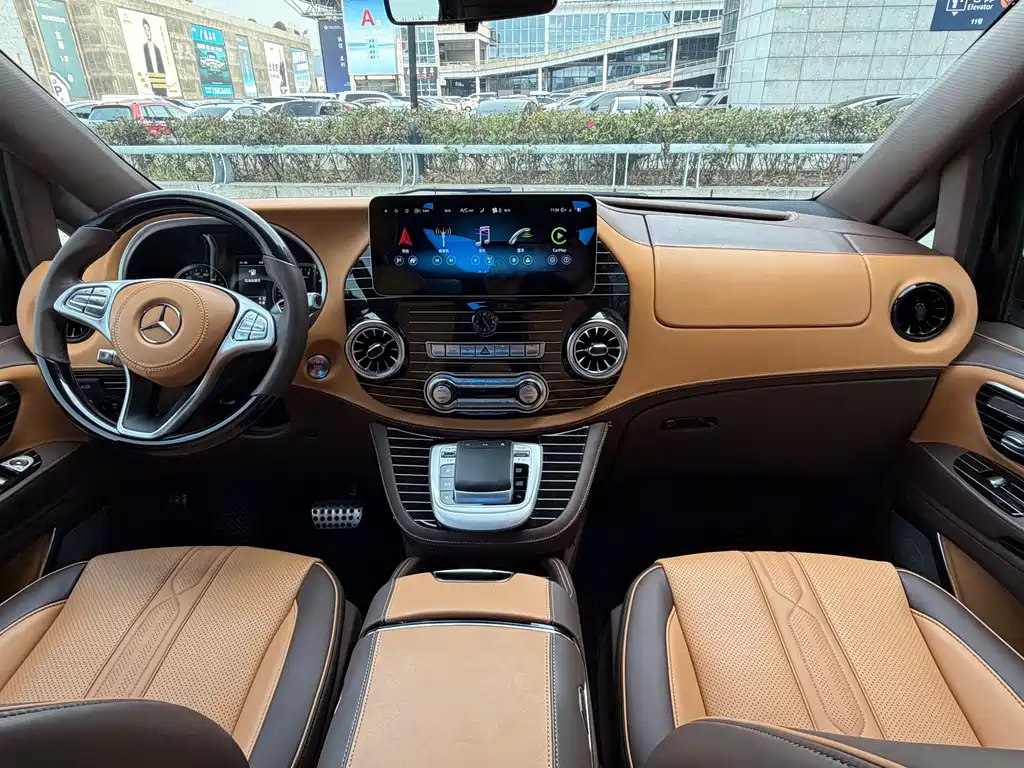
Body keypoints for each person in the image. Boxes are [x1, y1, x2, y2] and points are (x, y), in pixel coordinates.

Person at [141, 17, 167, 96]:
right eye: (145, 30)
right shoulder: (144, 48)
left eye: (148, 30)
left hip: (161, 86)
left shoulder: (157, 49)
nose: (147, 32)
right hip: (151, 85)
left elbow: (162, 70)